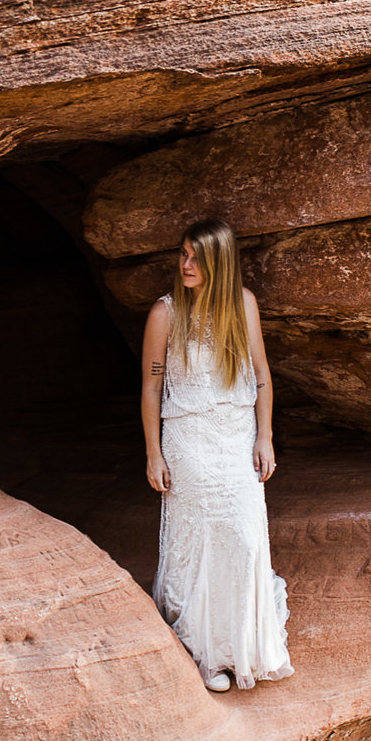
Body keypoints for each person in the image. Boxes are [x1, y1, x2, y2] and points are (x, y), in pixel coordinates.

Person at [141, 217, 293, 693]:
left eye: (196, 257)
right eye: (182, 254)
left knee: (244, 535)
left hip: (234, 434)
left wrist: (264, 436)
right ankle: (206, 653)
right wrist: (153, 454)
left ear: (219, 262)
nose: (185, 264)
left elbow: (262, 376)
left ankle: (243, 646)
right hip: (187, 439)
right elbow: (150, 389)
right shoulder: (165, 313)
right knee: (200, 539)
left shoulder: (243, 304)